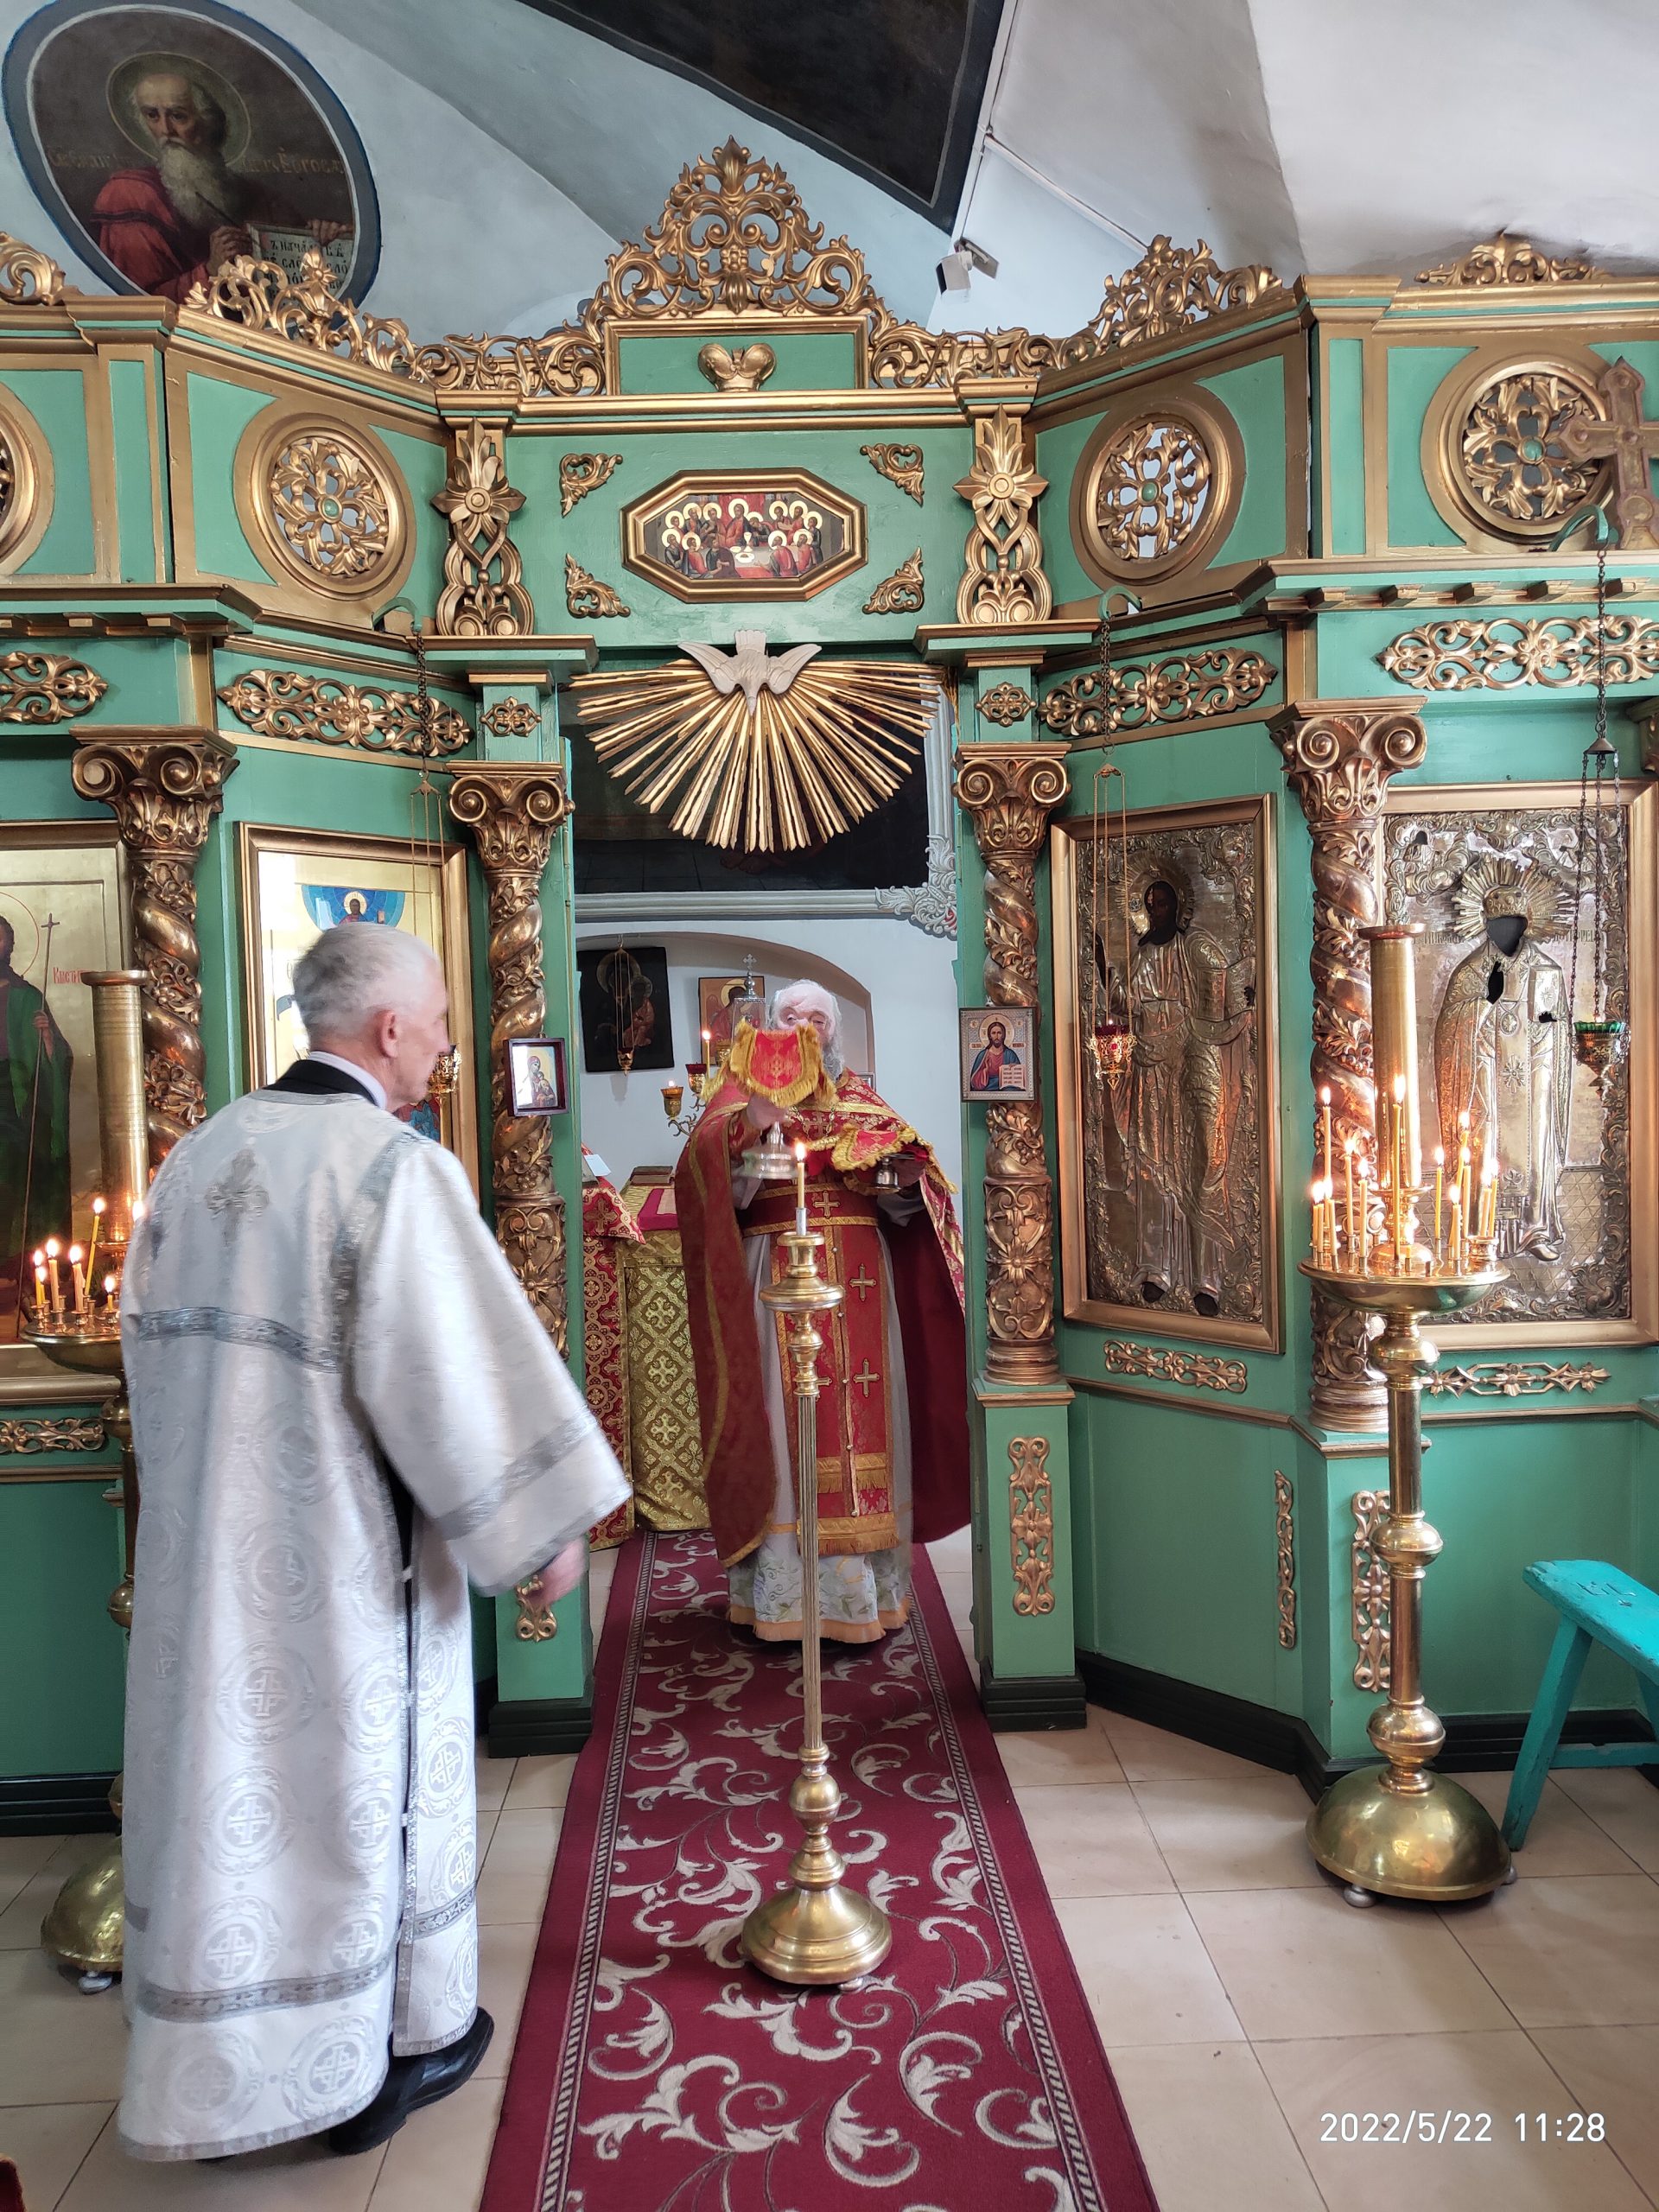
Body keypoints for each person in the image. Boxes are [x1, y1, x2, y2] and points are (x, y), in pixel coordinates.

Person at [117, 923, 627, 2162]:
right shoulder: (391, 1168)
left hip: (202, 1571)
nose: (446, 1045)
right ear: (391, 1029)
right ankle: (370, 2060)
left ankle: (222, 2065)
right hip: (341, 1577)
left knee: (229, 1806)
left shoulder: (198, 1154)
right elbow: (448, 1373)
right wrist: (542, 1531)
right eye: (440, 1024)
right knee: (350, 1802)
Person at [676, 980, 968, 1643]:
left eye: (819, 1018)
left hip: (862, 1281)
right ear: (771, 1026)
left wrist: (902, 1182)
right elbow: (703, 1181)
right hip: (775, 1275)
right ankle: (783, 1601)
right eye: (791, 1015)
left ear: (836, 1033)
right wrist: (756, 1122)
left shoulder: (861, 1099)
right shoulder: (739, 1095)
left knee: (867, 1417)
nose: (805, 1027)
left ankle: (862, 1597)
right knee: (782, 1418)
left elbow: (907, 1204)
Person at [1105, 874, 1253, 1319]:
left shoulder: (1193, 949)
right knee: (1152, 1168)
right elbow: (1124, 1005)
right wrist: (1102, 967)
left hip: (1190, 1059)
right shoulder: (1142, 955)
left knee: (1202, 1161)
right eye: (1150, 905)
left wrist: (1243, 997)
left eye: (1164, 904)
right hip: (1151, 1068)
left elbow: (1222, 996)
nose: (1156, 912)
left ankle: (1206, 1276)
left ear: (1178, 907)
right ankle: (1157, 1269)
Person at [92, 66, 349, 302]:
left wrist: (321, 238)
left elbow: (300, 277)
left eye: (178, 116)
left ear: (208, 121)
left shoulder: (259, 197)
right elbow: (137, 306)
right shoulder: (129, 194)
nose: (165, 130)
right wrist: (211, 270)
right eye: (152, 115)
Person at [1433, 860, 1571, 1261]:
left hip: (1536, 1074)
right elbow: (1448, 1031)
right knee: (1485, 1142)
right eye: (1498, 924)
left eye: (1513, 923)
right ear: (1486, 926)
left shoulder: (1547, 971)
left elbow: (1556, 1027)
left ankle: (1535, 1228)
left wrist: (1547, 1026)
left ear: (1526, 925)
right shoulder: (1472, 971)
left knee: (1537, 1143)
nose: (1505, 931)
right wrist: (1484, 1004)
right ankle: (1482, 1230)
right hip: (1486, 1074)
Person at [0, 910, 72, 1278]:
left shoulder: (28, 996)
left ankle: (18, 1260)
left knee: (15, 1176)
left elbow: (61, 1056)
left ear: (9, 946)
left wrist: (46, 1037)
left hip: (17, 1099)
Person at [968, 1017, 1022, 1092]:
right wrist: (985, 1070)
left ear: (1003, 1035)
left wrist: (1015, 1068)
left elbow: (1019, 1079)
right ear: (989, 1036)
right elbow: (974, 1082)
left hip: (1007, 1088)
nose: (996, 1036)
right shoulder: (983, 1055)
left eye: (999, 1033)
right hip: (988, 1088)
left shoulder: (1010, 1054)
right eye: (993, 1033)